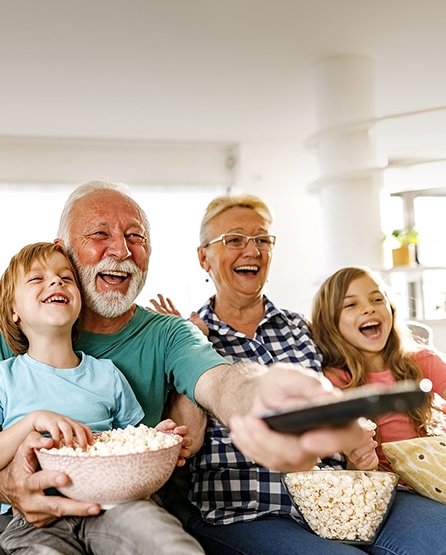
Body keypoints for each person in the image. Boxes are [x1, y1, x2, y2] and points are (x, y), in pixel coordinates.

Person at [0, 180, 368, 555]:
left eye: (136, 237)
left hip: (124, 508)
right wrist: (9, 486)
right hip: (18, 518)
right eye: (99, 234)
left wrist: (267, 392)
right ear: (63, 251)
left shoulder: (168, 334)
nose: (122, 251)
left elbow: (220, 380)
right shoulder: (16, 333)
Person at [168, 192, 446, 554]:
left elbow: (368, 366)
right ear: (203, 257)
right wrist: (192, 347)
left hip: (345, 499)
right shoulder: (188, 336)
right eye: (234, 240)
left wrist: (355, 447)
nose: (251, 250)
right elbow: (185, 440)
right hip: (246, 511)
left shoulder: (307, 329)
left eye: (262, 240)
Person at [0, 241, 202, 554]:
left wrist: (158, 441)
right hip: (37, 516)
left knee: (169, 543)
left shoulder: (107, 375)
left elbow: (128, 442)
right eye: (37, 278)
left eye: (66, 278)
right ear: (13, 311)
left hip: (115, 507)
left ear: (80, 304)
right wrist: (30, 423)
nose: (55, 281)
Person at [311, 265, 446, 470]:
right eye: (351, 305)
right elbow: (352, 469)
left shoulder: (423, 359)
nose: (368, 308)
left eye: (377, 299)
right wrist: (359, 463)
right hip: (391, 487)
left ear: (390, 309)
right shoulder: (335, 382)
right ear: (331, 322)